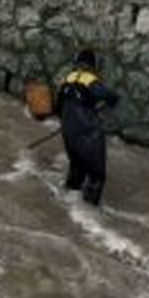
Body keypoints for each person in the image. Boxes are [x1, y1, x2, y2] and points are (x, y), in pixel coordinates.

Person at [55, 49, 120, 206]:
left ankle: (66, 200)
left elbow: (58, 107)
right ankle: (89, 213)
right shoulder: (89, 79)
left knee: (76, 166)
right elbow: (111, 97)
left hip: (68, 131)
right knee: (96, 174)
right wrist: (101, 107)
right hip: (87, 132)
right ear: (91, 65)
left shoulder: (67, 79)